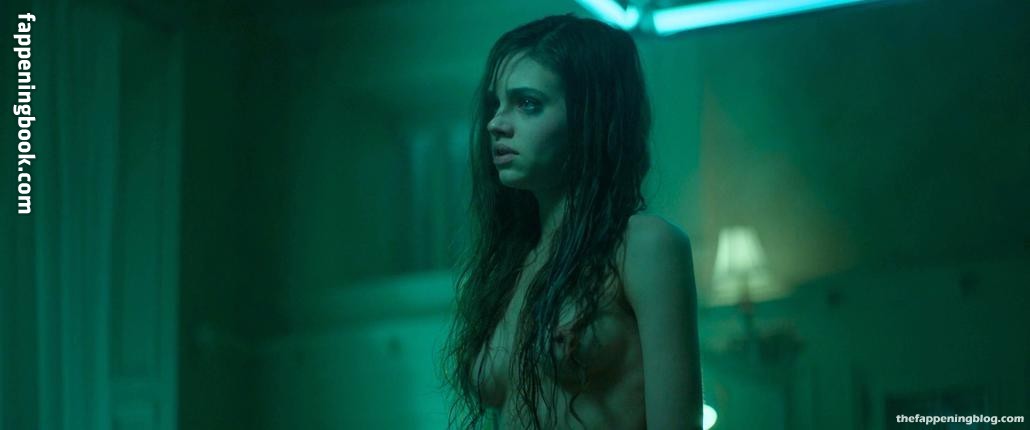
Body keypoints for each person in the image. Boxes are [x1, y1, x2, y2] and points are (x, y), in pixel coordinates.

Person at [441, 13, 702, 430]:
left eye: (527, 103)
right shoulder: (515, 262)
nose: (496, 123)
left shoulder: (643, 245)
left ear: (589, 116)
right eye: (496, 104)